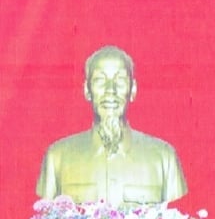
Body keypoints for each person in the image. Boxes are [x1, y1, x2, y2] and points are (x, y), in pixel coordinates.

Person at [36, 45, 187, 206]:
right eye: (100, 80)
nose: (110, 90)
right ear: (87, 90)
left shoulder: (164, 158)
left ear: (133, 90)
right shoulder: (57, 157)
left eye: (120, 80)